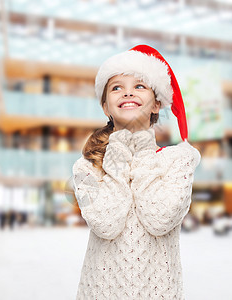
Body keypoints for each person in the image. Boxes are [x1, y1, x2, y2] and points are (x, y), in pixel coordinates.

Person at [72, 45, 201, 299]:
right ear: (106, 107)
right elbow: (106, 223)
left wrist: (142, 147)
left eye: (140, 86)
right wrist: (118, 152)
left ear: (156, 104)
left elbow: (159, 218)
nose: (128, 91)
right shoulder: (87, 167)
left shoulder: (180, 161)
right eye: (116, 87)